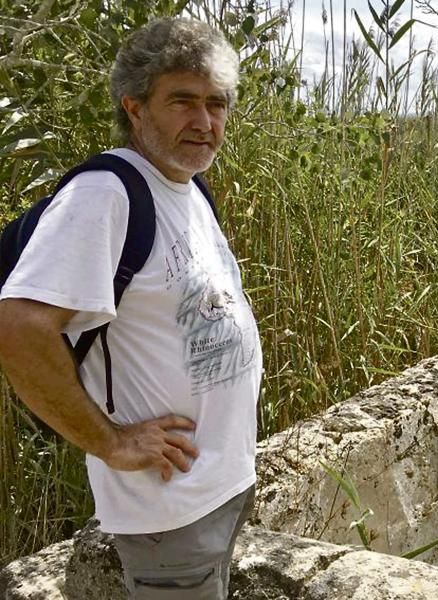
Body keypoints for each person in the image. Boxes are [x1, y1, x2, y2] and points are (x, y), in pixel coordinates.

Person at [0, 17, 261, 599]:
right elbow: (19, 325)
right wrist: (114, 442)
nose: (205, 122)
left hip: (219, 485)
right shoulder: (105, 195)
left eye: (217, 104)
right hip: (166, 508)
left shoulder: (188, 188)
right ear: (135, 107)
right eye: (183, 101)